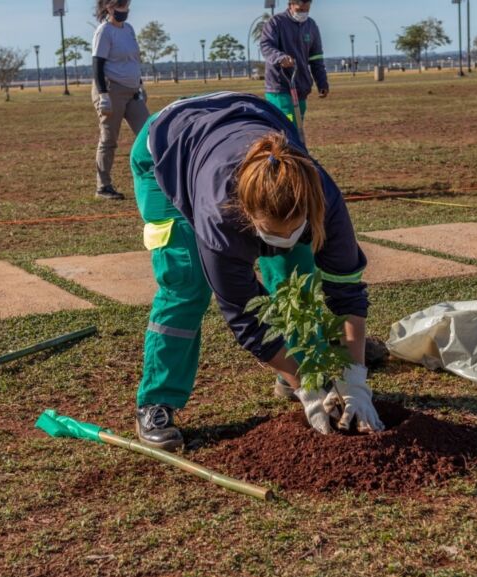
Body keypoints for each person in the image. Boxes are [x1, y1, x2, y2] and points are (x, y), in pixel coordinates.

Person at [129, 92, 384, 451]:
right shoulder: (218, 212)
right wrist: (307, 387)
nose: (281, 240)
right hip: (168, 146)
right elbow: (245, 316)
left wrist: (355, 380)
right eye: (270, 233)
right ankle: (157, 401)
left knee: (296, 276)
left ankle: (298, 369)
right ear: (246, 216)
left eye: (293, 230)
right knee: (187, 283)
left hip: (248, 116)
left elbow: (347, 293)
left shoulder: (324, 199)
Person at [91, 0, 149, 201]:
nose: (125, 11)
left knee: (149, 134)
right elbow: (97, 64)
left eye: (127, 7)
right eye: (121, 7)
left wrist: (140, 85)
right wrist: (103, 95)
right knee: (109, 140)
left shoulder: (129, 29)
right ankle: (103, 186)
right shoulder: (104, 31)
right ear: (109, 8)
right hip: (111, 90)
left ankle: (155, 179)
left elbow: (133, 61)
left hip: (133, 92)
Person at [260, 0, 329, 130]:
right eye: (299, 10)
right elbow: (266, 46)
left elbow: (316, 58)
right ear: (290, 5)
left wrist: (322, 83)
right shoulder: (276, 22)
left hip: (301, 86)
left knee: (297, 127)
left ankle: (293, 149)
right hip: (280, 87)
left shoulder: (311, 26)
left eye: (306, 10)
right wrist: (280, 58)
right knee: (287, 125)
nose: (303, 13)